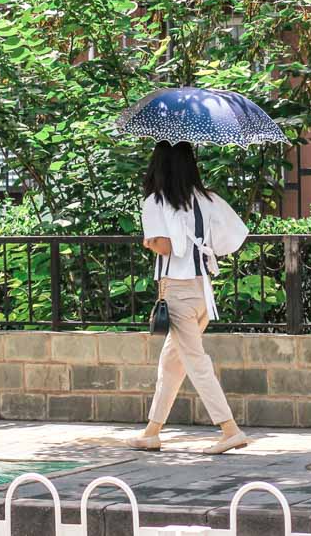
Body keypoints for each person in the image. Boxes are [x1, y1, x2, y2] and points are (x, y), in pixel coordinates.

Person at [127, 141, 250, 455]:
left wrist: (149, 242)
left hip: (177, 292)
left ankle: (230, 430)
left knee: (196, 363)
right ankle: (152, 432)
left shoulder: (156, 201)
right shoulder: (207, 199)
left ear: (159, 166)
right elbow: (233, 236)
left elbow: (166, 246)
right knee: (171, 365)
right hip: (202, 292)